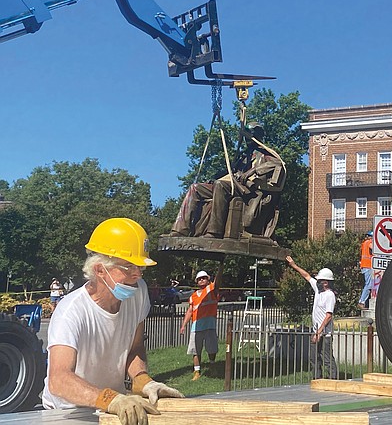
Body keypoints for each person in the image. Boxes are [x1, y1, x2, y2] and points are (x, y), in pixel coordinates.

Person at [41, 218, 184, 425]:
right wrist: (111, 399)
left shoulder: (138, 292)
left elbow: (134, 348)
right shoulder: (71, 312)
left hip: (113, 408)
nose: (137, 274)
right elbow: (59, 380)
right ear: (100, 270)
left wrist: (143, 380)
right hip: (67, 412)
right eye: (128, 267)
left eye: (140, 267)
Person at [168, 122, 286, 238]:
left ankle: (215, 232)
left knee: (220, 185)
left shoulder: (265, 153)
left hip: (249, 190)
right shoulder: (244, 155)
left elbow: (279, 164)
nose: (246, 139)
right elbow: (231, 170)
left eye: (250, 135)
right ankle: (180, 230)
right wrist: (216, 177)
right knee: (196, 188)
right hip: (233, 185)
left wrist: (253, 171)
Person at [285, 256, 338, 380]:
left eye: (320, 280)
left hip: (325, 333)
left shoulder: (329, 295)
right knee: (314, 357)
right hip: (316, 331)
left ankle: (332, 379)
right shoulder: (317, 290)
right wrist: (294, 265)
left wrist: (319, 332)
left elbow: (328, 316)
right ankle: (317, 378)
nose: (317, 282)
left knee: (327, 358)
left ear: (326, 282)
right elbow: (306, 276)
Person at [180, 263, 224, 380]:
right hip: (196, 326)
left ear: (208, 279)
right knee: (196, 350)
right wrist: (183, 325)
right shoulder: (193, 296)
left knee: (211, 348)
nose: (201, 280)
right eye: (199, 279)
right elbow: (190, 311)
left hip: (210, 325)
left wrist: (221, 266)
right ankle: (197, 371)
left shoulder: (212, 289)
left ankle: (212, 366)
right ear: (196, 281)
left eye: (204, 278)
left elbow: (218, 279)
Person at [358, 231, 373, 310]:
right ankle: (362, 302)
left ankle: (364, 302)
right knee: (369, 285)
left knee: (369, 285)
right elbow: (373, 248)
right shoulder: (368, 242)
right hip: (368, 266)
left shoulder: (364, 243)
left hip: (366, 266)